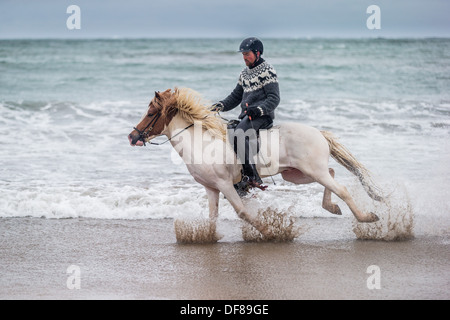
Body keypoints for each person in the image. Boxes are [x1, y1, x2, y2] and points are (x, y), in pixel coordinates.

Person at [211, 37, 280, 191]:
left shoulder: (267, 70)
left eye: (247, 54)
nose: (244, 57)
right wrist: (220, 105)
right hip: (247, 116)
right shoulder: (244, 73)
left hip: (262, 116)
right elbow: (235, 96)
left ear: (257, 53)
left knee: (240, 133)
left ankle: (252, 176)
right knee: (228, 131)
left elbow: (274, 99)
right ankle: (239, 180)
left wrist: (258, 110)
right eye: (242, 54)